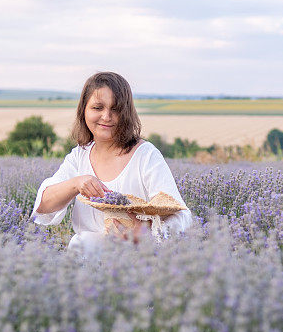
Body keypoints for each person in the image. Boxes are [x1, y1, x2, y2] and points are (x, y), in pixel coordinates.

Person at [31, 72, 192, 257]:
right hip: (86, 259)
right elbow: (43, 206)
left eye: (115, 109)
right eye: (97, 107)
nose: (106, 116)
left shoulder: (146, 155)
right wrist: (76, 183)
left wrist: (146, 235)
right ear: (84, 110)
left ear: (126, 113)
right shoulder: (79, 156)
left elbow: (182, 216)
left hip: (137, 261)